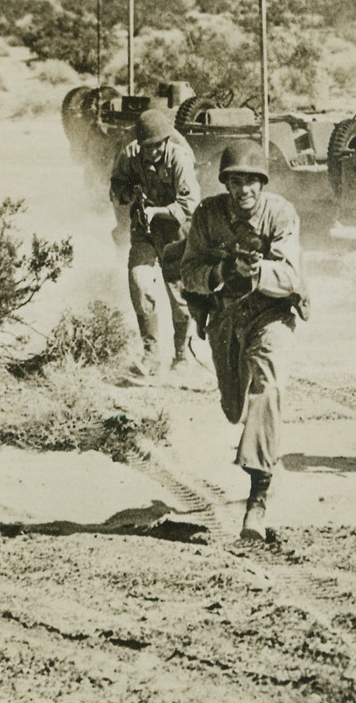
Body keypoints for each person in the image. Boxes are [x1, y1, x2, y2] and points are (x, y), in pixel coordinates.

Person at [181, 141, 308, 541]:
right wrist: (222, 269)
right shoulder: (207, 215)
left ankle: (258, 498)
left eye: (251, 181)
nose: (243, 190)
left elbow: (290, 276)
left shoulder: (281, 213)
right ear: (226, 184)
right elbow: (188, 272)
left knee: (267, 390)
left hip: (270, 316)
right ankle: (258, 457)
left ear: (262, 183)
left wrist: (257, 271)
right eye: (235, 182)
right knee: (234, 407)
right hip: (225, 319)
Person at [110, 108, 201, 375]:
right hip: (144, 230)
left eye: (157, 146)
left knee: (180, 295)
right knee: (139, 282)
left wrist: (157, 211)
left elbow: (190, 204)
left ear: (166, 140)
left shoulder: (179, 158)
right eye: (146, 147)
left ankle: (181, 354)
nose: (152, 152)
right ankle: (150, 354)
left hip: (176, 231)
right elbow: (116, 185)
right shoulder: (130, 154)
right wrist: (128, 193)